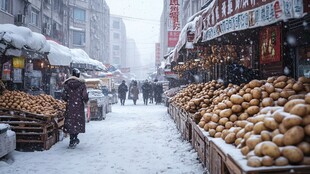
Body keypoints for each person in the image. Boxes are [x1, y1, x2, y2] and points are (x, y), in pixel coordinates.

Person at [62, 68, 89, 149]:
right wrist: (86, 100)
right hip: (78, 107)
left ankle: (72, 139)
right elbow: (84, 96)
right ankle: (75, 138)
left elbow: (64, 96)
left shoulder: (67, 84)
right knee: (77, 123)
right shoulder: (82, 84)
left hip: (70, 107)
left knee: (70, 123)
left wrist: (68, 99)